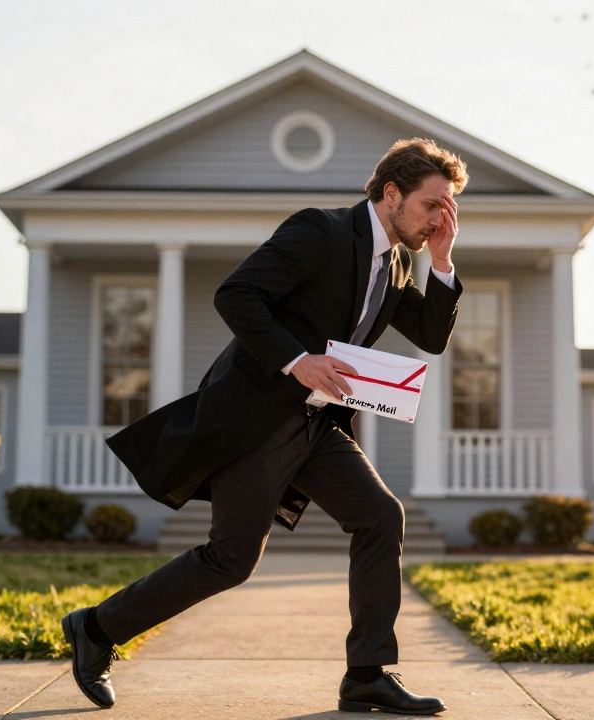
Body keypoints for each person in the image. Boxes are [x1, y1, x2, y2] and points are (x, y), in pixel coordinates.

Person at [60, 137, 467, 716]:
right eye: (433, 205)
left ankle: (368, 673)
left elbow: (429, 336)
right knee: (231, 559)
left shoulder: (400, 263)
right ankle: (96, 628)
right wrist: (299, 361)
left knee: (380, 516)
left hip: (318, 426)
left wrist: (444, 262)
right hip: (256, 418)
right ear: (392, 193)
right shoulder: (321, 231)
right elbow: (237, 294)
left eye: (449, 209)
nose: (439, 219)